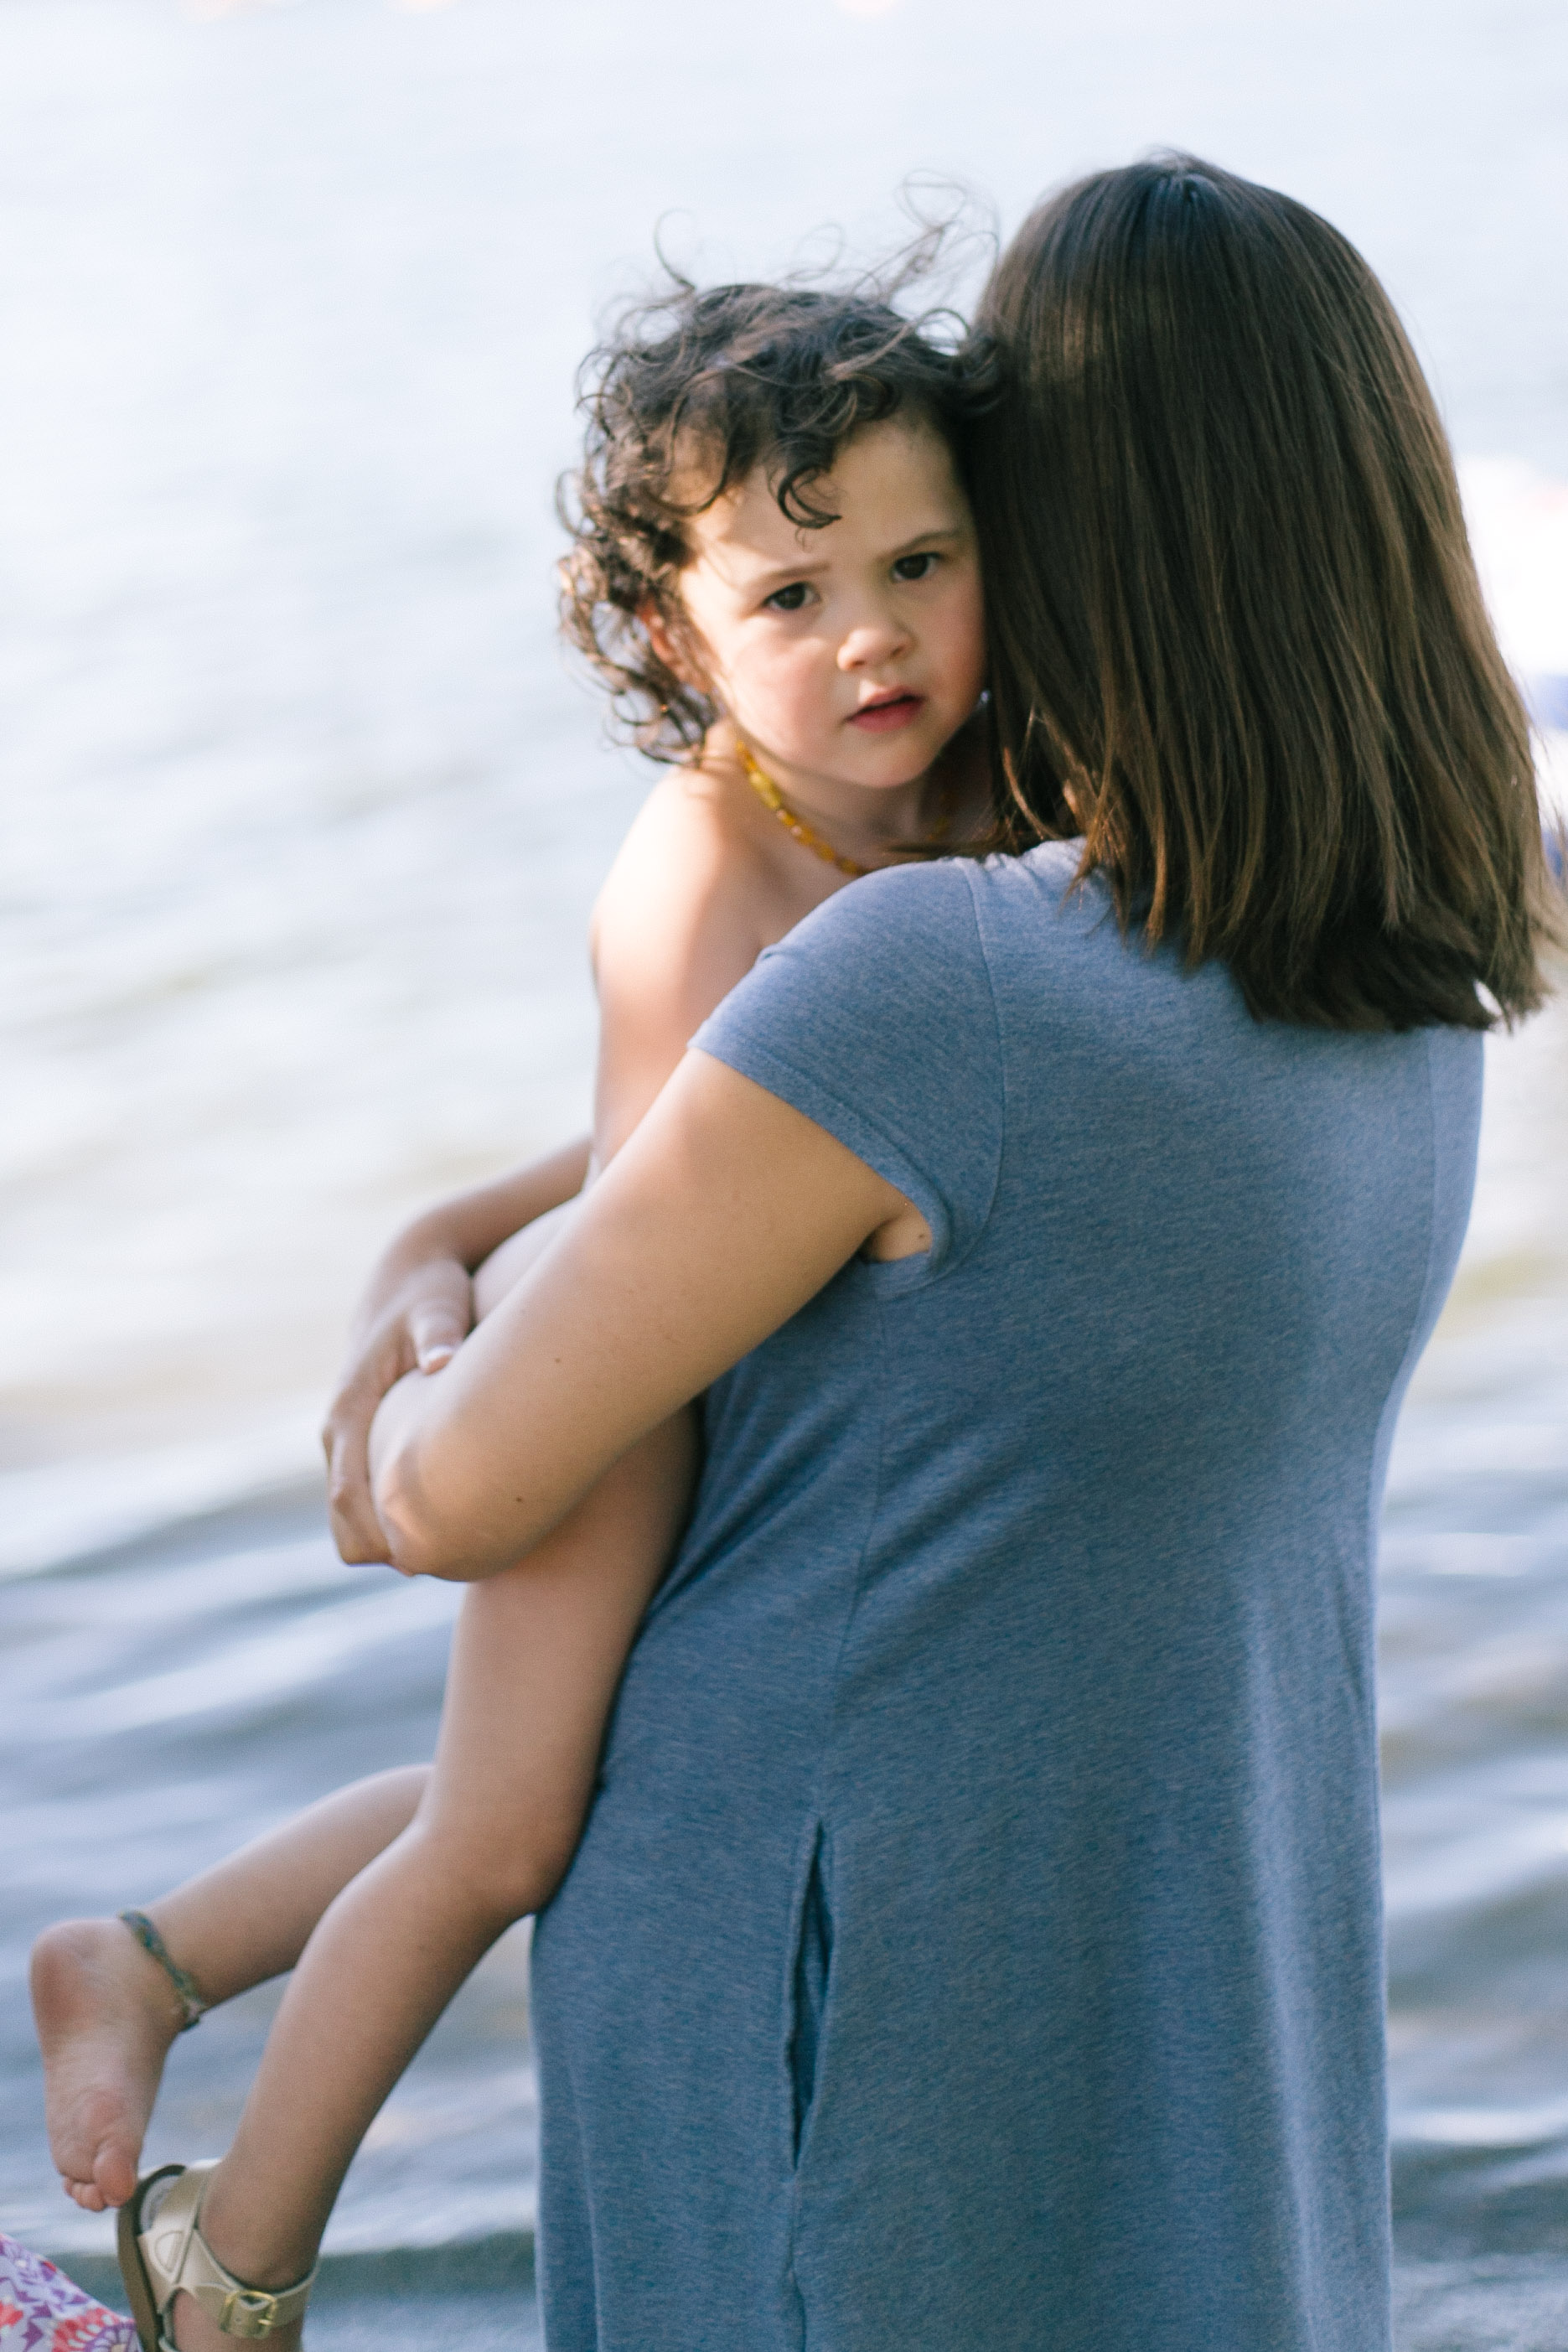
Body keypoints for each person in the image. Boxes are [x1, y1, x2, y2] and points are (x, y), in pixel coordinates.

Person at [346, 157, 1556, 2350]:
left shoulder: (938, 986)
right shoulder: (1416, 989)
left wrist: (405, 1318)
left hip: (842, 2013)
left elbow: (456, 1493)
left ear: (1063, 528)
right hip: (1201, 1998)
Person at [30, 280, 992, 2352]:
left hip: (691, 1331)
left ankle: (151, 1956)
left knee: (583, 1763)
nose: (874, 635)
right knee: (506, 1821)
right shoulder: (703, 858)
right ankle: (229, 2263)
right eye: (796, 590)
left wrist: (434, 1234)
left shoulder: (951, 799)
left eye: (922, 563)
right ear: (678, 637)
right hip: (625, 1391)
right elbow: (659, 1198)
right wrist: (452, 1304)